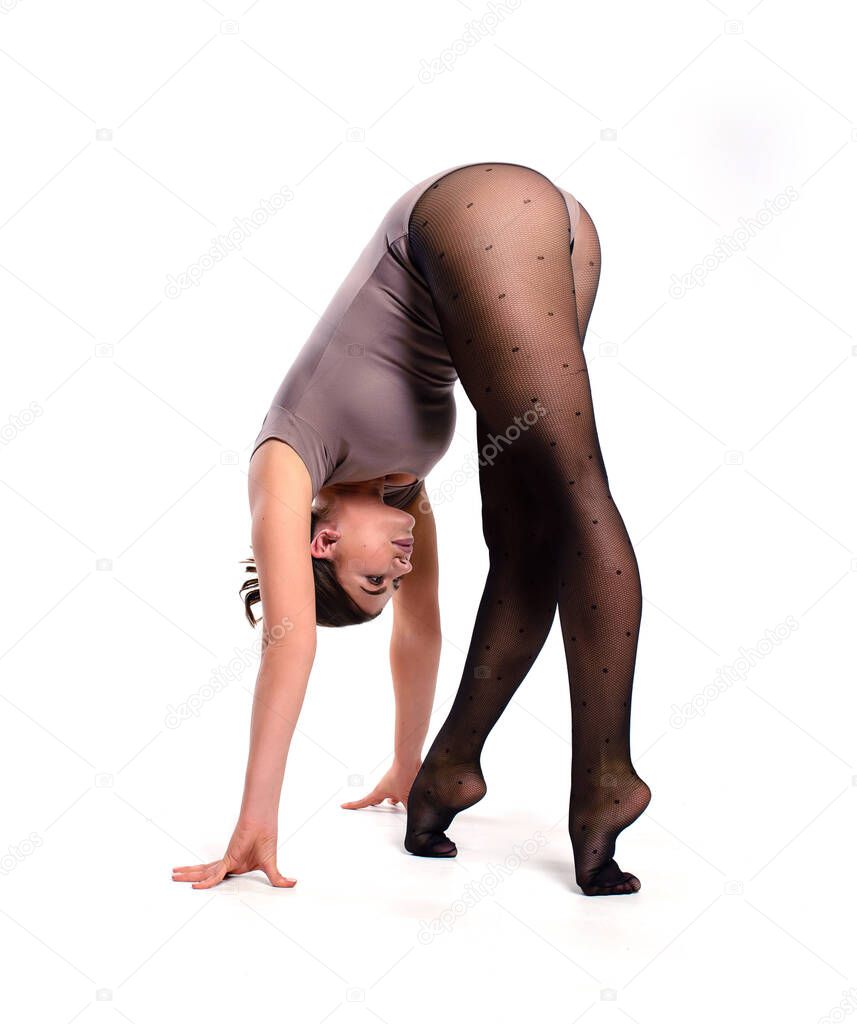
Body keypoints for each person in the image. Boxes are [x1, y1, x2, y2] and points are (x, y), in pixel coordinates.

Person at [171, 161, 650, 897]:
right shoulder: (396, 489)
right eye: (389, 584)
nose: (399, 570)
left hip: (471, 217)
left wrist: (256, 820)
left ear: (319, 543)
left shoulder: (287, 461)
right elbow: (419, 629)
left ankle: (604, 780)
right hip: (555, 233)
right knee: (525, 543)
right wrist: (405, 760)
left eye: (373, 578)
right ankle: (447, 770)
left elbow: (288, 644)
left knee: (578, 492)